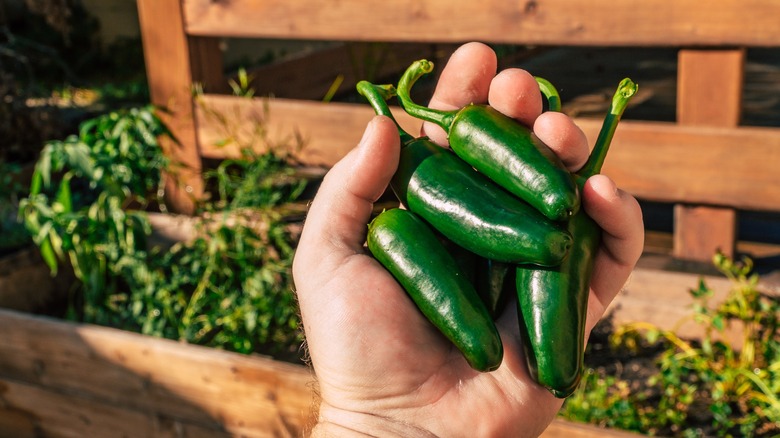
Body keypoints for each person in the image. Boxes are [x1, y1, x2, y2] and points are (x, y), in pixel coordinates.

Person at [292, 42, 644, 438]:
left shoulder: (412, 195)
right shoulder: (401, 215)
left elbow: (542, 214)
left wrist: (373, 426)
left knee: (559, 206)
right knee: (556, 210)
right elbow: (537, 222)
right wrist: (375, 421)